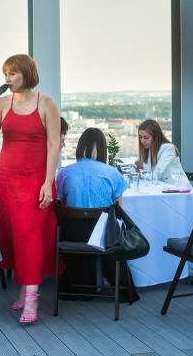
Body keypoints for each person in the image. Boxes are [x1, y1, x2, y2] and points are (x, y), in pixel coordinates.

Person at [0, 54, 61, 323]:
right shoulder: (3, 103)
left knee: (30, 235)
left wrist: (48, 182)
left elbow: (54, 145)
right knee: (14, 234)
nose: (7, 78)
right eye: (5, 73)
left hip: (36, 179)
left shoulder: (47, 103)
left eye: (13, 73)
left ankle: (32, 299)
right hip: (7, 178)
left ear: (27, 73)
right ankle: (25, 290)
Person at [56, 128, 138, 301]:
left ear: (80, 146)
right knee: (113, 229)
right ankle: (122, 289)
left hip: (73, 235)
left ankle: (80, 285)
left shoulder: (64, 173)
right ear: (102, 149)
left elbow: (61, 204)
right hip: (104, 236)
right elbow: (118, 211)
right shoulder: (112, 173)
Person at [135, 119, 191, 188]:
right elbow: (133, 172)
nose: (142, 141)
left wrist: (140, 174)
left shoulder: (168, 148)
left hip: (179, 189)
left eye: (146, 138)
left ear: (155, 137)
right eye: (140, 137)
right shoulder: (146, 150)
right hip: (161, 189)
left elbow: (156, 175)